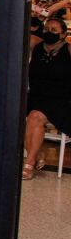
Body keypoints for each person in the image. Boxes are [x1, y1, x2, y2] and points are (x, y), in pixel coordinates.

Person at [23, 17, 71, 180]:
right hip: (36, 96)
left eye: (54, 31)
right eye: (46, 29)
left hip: (59, 100)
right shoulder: (37, 46)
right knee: (14, 117)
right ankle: (37, 153)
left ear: (63, 34)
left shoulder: (68, 50)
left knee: (35, 117)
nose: (49, 33)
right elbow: (20, 31)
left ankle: (29, 163)